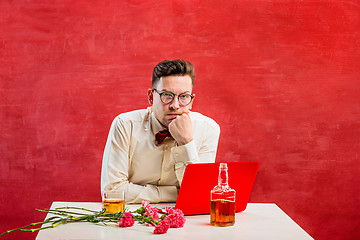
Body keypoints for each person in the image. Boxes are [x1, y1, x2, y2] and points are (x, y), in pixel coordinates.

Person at [101, 59, 220, 203]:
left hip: (186, 219)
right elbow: (113, 191)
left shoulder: (208, 129)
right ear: (151, 97)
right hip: (132, 216)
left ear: (192, 101)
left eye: (183, 97)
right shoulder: (125, 125)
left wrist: (186, 142)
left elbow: (200, 193)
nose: (175, 106)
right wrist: (176, 194)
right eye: (167, 95)